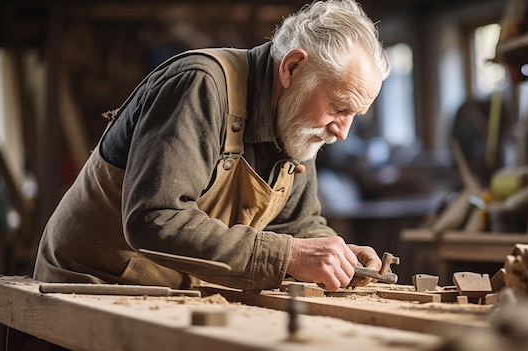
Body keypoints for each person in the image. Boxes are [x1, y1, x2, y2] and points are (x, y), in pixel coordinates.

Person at [33, 0, 391, 293]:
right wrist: (292, 256)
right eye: (340, 107)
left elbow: (297, 224)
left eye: (354, 114)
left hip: (175, 295)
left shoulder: (297, 122)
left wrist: (339, 256)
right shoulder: (200, 86)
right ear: (292, 68)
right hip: (91, 285)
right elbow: (154, 219)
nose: (343, 131)